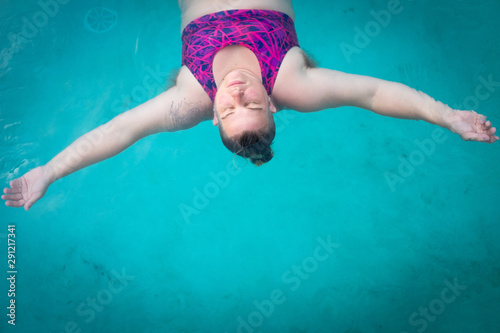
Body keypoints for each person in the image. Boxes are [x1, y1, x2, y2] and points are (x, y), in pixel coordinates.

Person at [2, 0, 498, 211]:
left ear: (213, 115)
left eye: (231, 108)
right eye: (253, 105)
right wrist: (448, 115)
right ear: (273, 106)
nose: (238, 94)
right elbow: (372, 94)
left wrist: (49, 171)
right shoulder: (293, 83)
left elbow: (115, 132)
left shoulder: (189, 98)